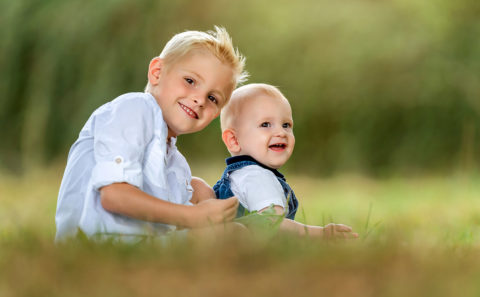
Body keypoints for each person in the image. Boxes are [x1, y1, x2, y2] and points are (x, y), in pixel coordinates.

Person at [55, 26, 248, 242]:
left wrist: (199, 197)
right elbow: (114, 196)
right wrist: (193, 216)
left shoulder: (174, 161)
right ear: (157, 72)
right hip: (98, 241)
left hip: (142, 242)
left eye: (213, 98)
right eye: (190, 81)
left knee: (213, 202)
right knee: (234, 235)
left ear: (215, 115)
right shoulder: (136, 108)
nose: (200, 100)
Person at [214, 83, 358, 239]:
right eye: (265, 124)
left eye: (286, 125)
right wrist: (321, 234)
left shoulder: (239, 175)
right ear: (234, 140)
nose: (281, 132)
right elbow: (273, 225)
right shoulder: (257, 177)